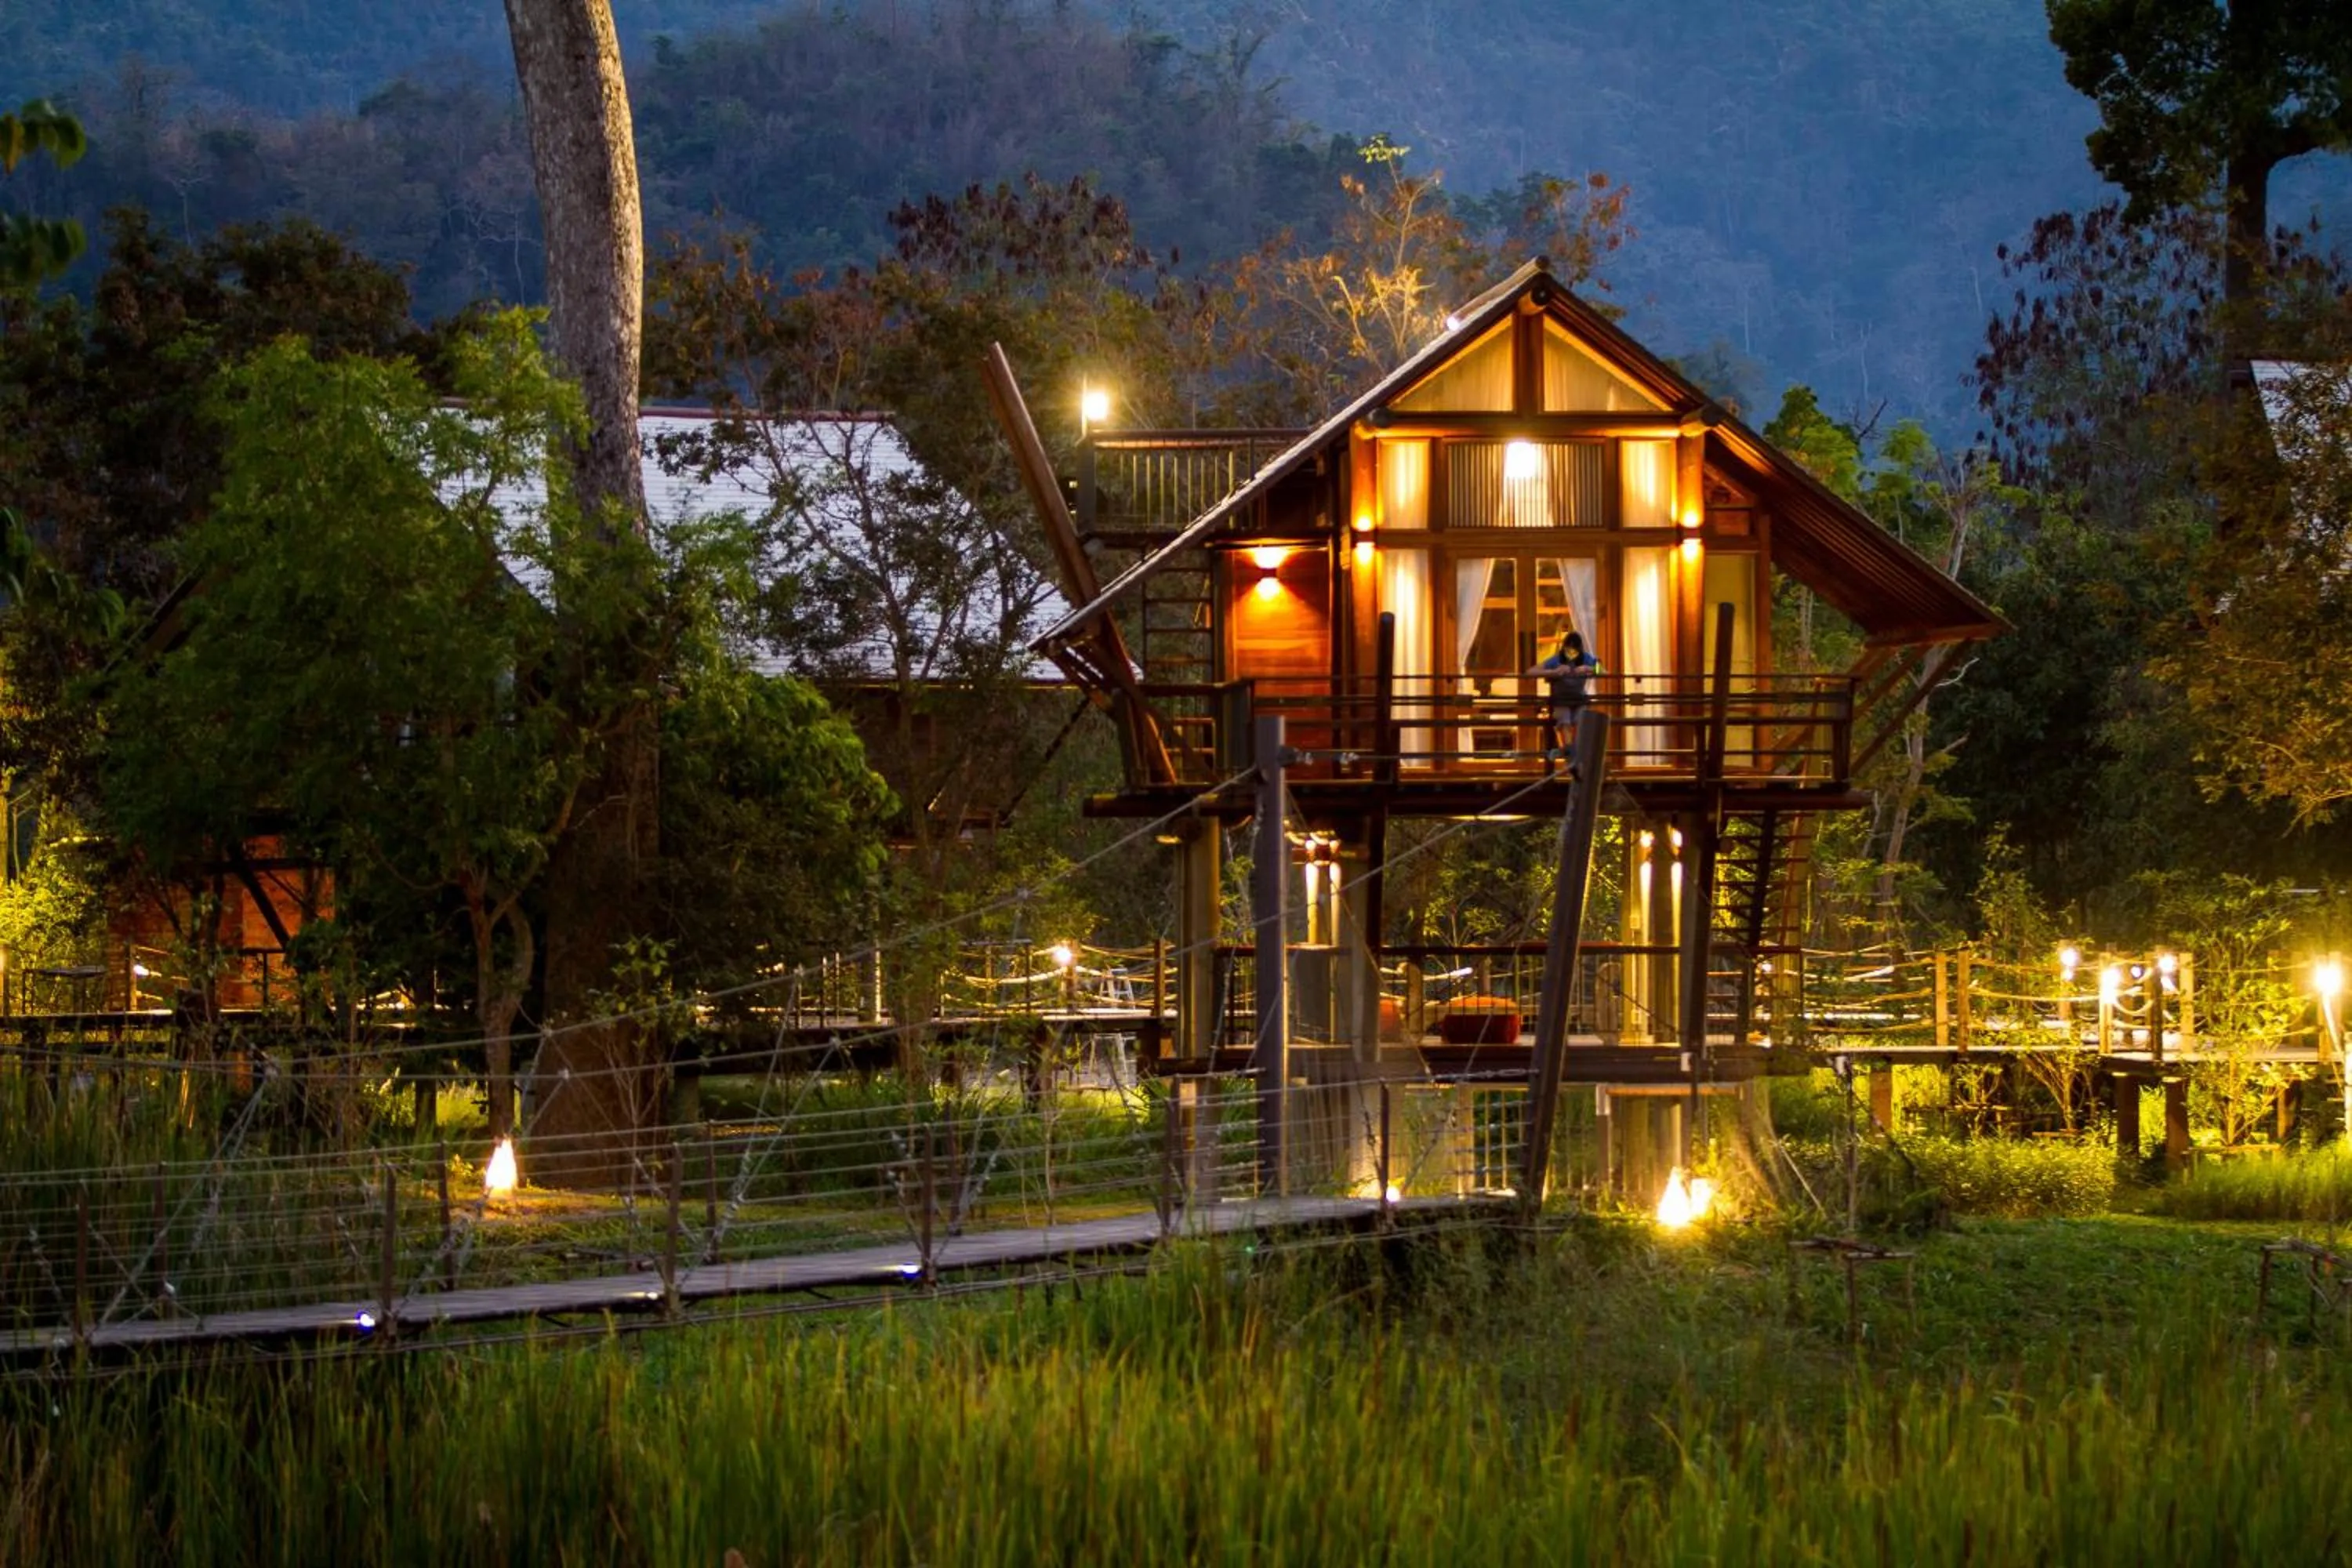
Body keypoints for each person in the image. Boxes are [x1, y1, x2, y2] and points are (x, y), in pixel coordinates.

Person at [1527, 630, 1599, 771]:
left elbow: (1603, 670)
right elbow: (1530, 672)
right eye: (1568, 649)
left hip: (1579, 699)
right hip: (1561, 700)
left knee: (1580, 722)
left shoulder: (1586, 659)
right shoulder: (1556, 660)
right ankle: (1572, 758)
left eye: (1575, 650)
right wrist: (1553, 672)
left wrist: (1588, 668)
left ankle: (1576, 757)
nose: (1571, 653)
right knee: (1564, 722)